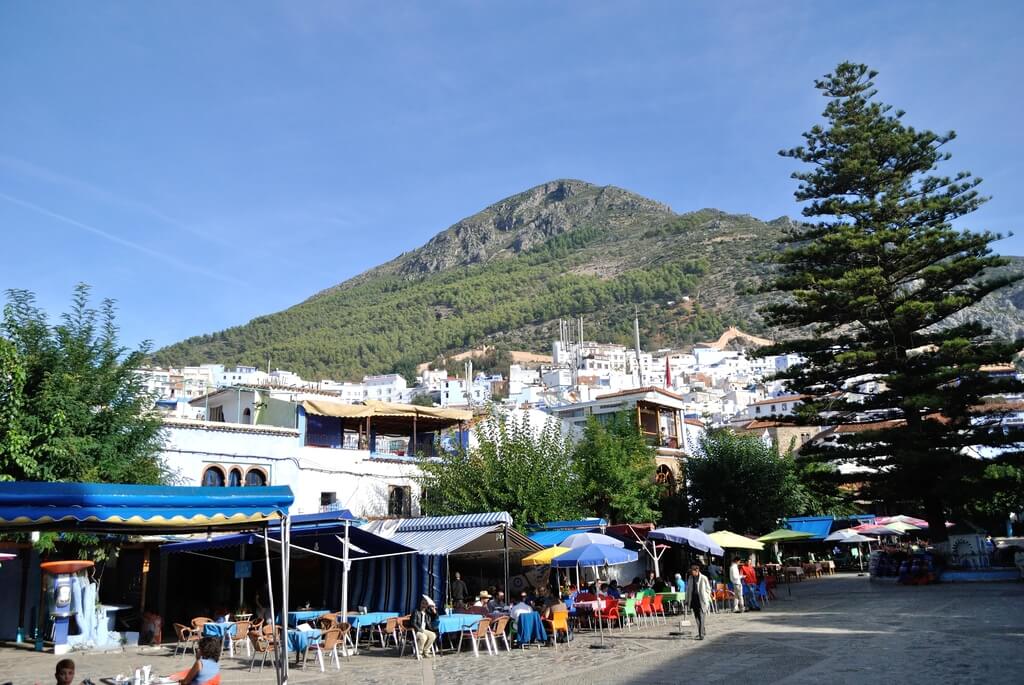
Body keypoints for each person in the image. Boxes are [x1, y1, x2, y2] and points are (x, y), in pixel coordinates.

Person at [684, 564, 712, 640]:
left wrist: (706, 596)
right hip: (693, 599)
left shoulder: (703, 578)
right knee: (697, 617)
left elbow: (708, 589)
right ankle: (702, 631)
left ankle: (701, 634)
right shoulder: (690, 578)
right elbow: (688, 590)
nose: (691, 573)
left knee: (701, 616)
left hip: (702, 600)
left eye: (692, 571)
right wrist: (687, 600)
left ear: (697, 571)